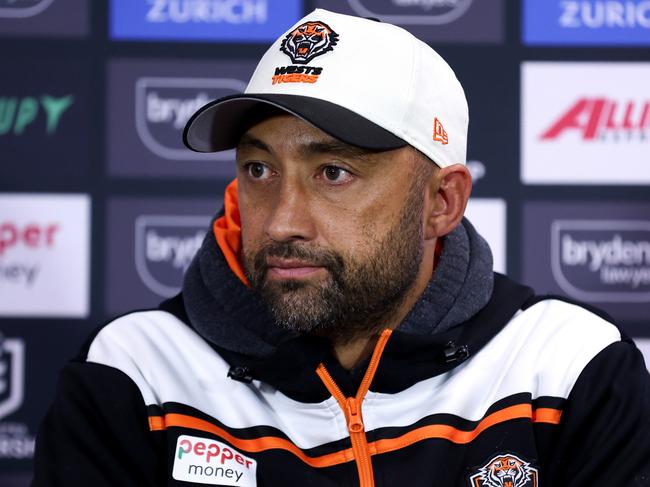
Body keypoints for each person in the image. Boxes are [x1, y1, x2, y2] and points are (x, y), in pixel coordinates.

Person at [32, 9, 650, 487]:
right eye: (257, 170)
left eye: (333, 172)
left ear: (441, 202)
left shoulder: (569, 367)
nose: (280, 223)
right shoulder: (136, 371)